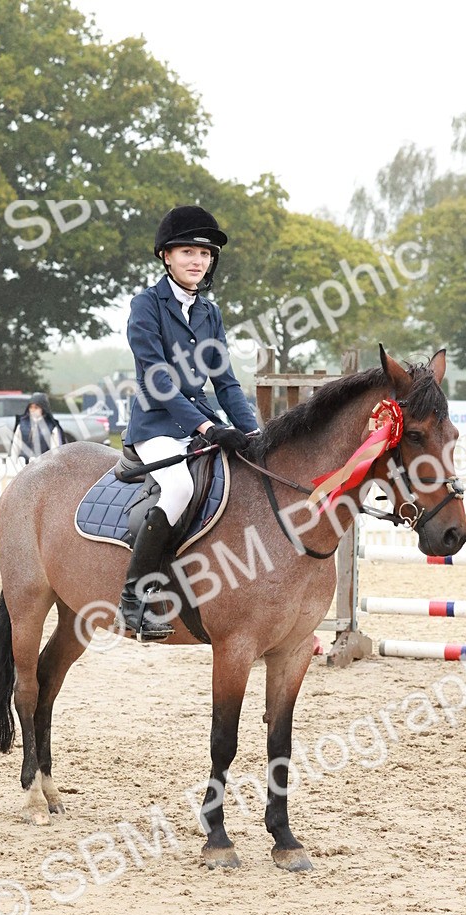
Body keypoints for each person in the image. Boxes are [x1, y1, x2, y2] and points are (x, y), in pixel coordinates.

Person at [120, 204, 260, 641]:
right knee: (180, 487)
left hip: (201, 422)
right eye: (187, 252)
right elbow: (158, 380)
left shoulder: (209, 313)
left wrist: (254, 433)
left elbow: (226, 383)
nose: (198, 261)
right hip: (156, 428)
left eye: (205, 254)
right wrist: (206, 428)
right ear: (166, 256)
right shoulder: (146, 305)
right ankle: (134, 597)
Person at [10, 393, 64, 463]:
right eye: (31, 407)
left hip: (43, 464)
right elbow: (15, 446)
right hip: (24, 463)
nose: (32, 410)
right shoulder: (22, 424)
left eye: (36, 407)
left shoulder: (51, 427)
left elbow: (55, 450)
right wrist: (13, 462)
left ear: (43, 408)